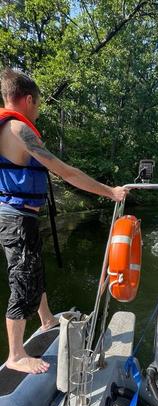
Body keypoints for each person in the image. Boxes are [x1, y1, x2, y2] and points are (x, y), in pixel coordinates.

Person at [0, 68, 127, 375]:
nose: (38, 111)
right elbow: (65, 171)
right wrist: (110, 192)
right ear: (28, 99)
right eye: (38, 105)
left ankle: (46, 319)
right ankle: (15, 354)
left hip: (19, 216)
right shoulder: (17, 129)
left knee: (33, 268)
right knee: (22, 281)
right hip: (16, 217)